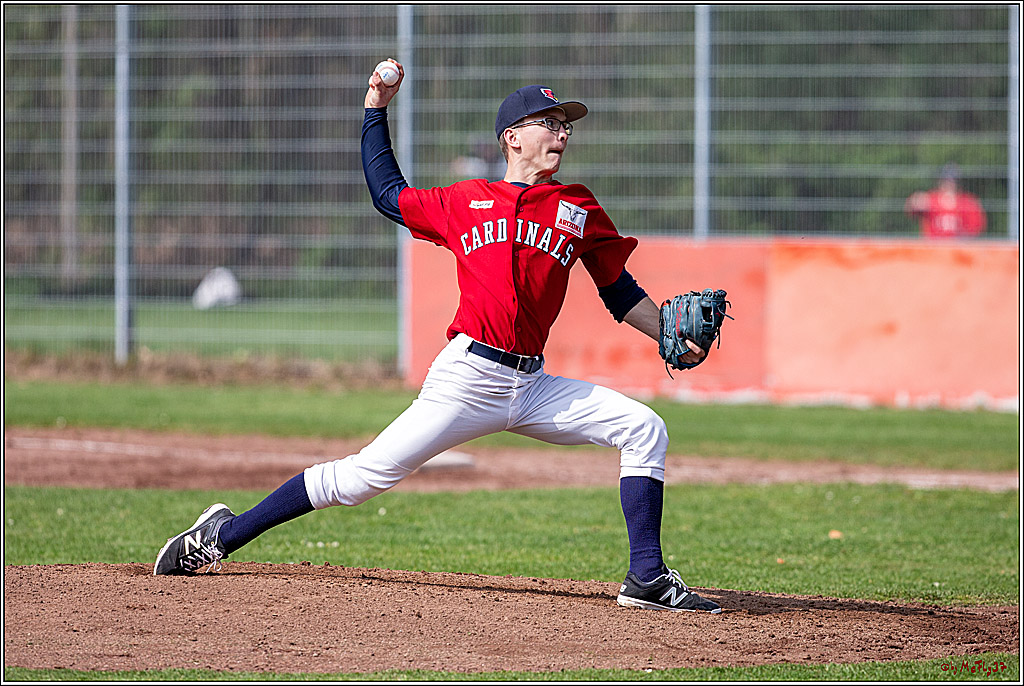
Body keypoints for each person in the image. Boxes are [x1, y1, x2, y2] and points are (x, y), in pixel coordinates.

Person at [154, 60, 722, 614]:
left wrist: (667, 334)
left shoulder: (577, 206)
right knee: (360, 479)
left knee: (643, 427)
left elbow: (617, 289)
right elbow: (387, 193)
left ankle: (645, 577)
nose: (561, 133)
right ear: (512, 138)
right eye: (548, 122)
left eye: (565, 124)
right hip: (468, 378)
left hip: (533, 385)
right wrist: (375, 109)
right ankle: (220, 537)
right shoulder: (464, 201)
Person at [904, 163, 986, 238]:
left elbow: (976, 228)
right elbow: (911, 210)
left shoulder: (967, 202)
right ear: (940, 182)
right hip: (934, 247)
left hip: (957, 248)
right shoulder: (931, 198)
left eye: (952, 181)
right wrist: (915, 202)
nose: (949, 184)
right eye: (946, 181)